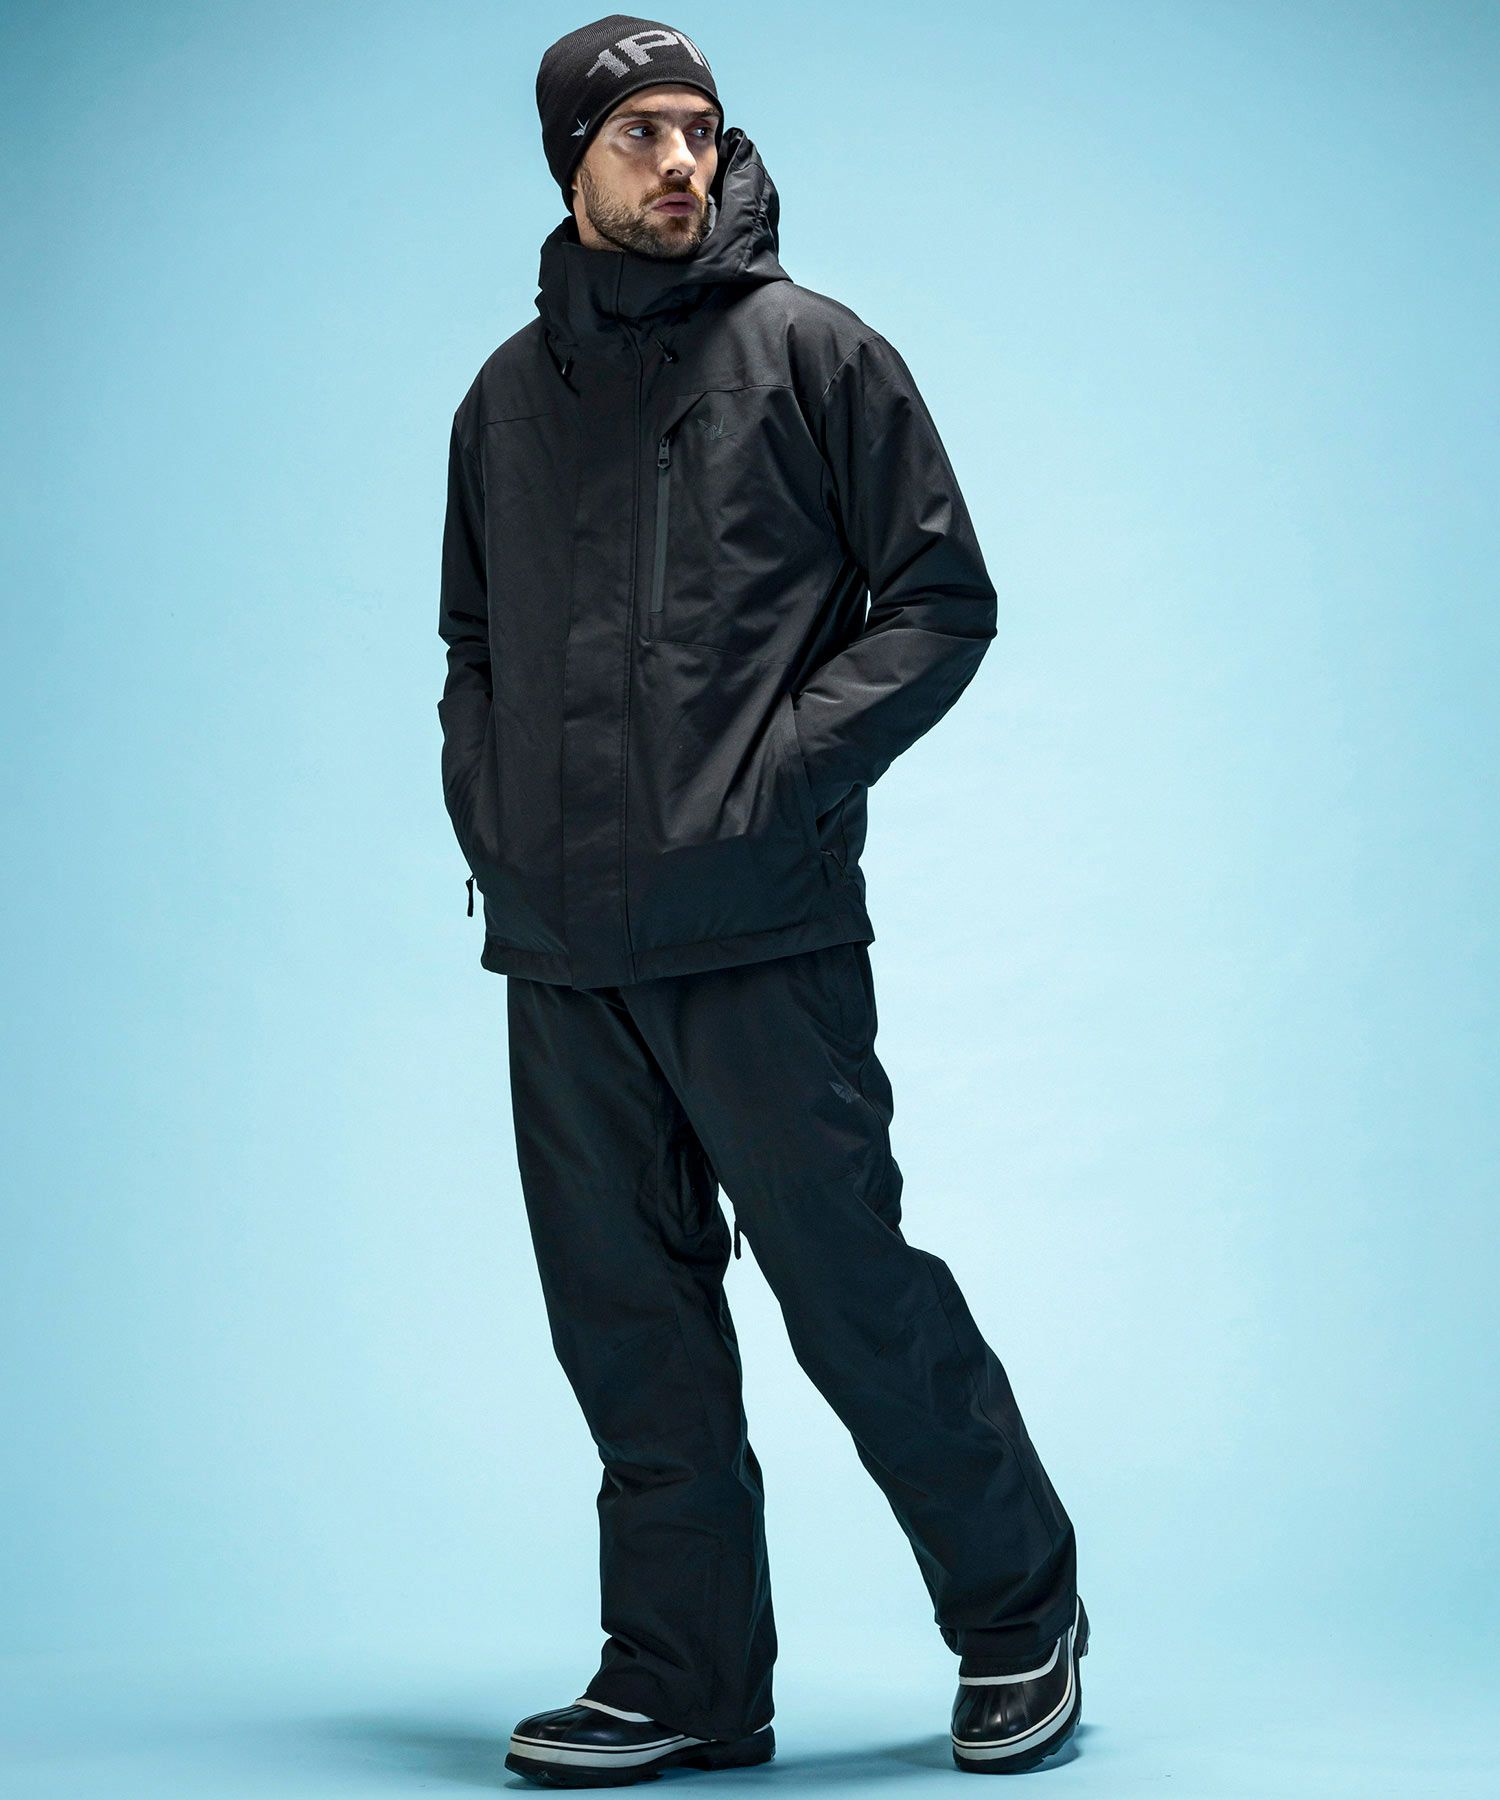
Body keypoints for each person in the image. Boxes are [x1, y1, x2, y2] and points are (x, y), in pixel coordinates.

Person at [435, 14, 1087, 1784]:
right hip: (562, 951)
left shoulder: (815, 355)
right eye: (638, 132)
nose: (679, 161)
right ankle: (685, 1679)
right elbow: (473, 642)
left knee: (850, 1291)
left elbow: (941, 602)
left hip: (760, 932)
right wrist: (496, 818)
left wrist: (775, 779)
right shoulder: (503, 399)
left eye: (699, 130)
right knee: (627, 1329)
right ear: (571, 162)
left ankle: (1020, 1613)